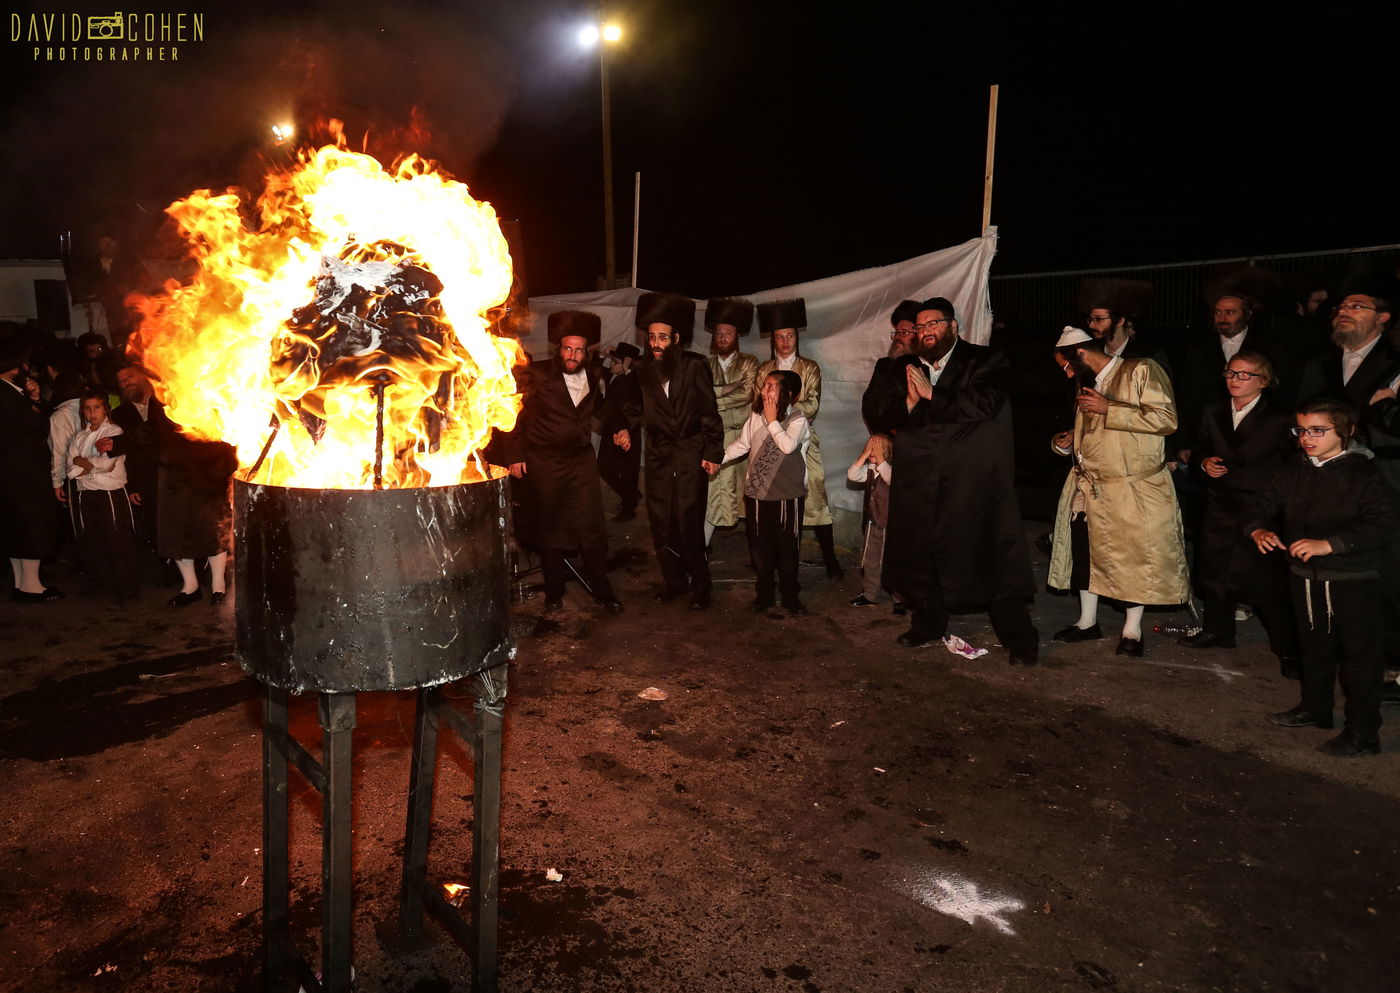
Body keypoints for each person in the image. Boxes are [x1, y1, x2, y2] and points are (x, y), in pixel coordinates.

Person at [863, 297, 1039, 664]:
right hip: (920, 482)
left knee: (990, 554)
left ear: (954, 326)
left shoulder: (985, 360)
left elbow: (985, 403)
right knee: (924, 555)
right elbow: (878, 410)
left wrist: (932, 394)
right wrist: (910, 404)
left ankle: (1019, 637)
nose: (926, 332)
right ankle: (928, 624)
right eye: (921, 327)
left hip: (973, 483)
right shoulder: (904, 367)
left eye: (934, 324)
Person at [1246, 399, 1392, 757]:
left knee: (1360, 658)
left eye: (1318, 430)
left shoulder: (1365, 473)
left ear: (1345, 431)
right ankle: (1315, 707)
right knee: (1314, 648)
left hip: (1353, 579)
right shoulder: (1295, 468)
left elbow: (1383, 524)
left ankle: (1363, 731)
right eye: (1301, 430)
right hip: (1305, 576)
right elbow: (1260, 502)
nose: (1307, 438)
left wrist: (1331, 544)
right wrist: (1257, 529)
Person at [1047, 327, 1189, 656]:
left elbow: (1166, 420)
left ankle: (1132, 631)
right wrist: (1063, 442)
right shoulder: (1086, 384)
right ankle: (1086, 622)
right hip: (1090, 487)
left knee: (1133, 556)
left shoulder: (1140, 369)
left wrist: (1109, 408)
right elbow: (1091, 435)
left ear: (1080, 355)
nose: (1066, 374)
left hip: (1133, 487)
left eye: (1067, 366)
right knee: (1086, 553)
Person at [1179, 352, 1300, 675]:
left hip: (1260, 505)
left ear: (1264, 380)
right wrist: (1203, 462)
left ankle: (1289, 651)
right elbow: (1201, 445)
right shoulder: (1214, 410)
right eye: (1230, 373)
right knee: (1215, 569)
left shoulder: (1280, 417)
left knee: (1265, 580)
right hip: (1220, 501)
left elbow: (1292, 463)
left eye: (1244, 375)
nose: (1234, 379)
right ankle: (1218, 631)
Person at [502, 310, 622, 613]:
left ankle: (602, 591)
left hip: (581, 460)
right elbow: (512, 413)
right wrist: (515, 454)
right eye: (567, 348)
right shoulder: (539, 375)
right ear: (559, 349)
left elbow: (604, 411)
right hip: (545, 461)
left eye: (579, 349)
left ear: (587, 352)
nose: (572, 354)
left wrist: (620, 427)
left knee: (591, 526)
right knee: (551, 528)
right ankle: (554, 592)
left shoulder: (595, 376)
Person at [612, 292, 724, 609]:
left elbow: (709, 414)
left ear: (676, 338)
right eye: (652, 337)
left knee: (688, 521)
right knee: (661, 521)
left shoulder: (694, 366)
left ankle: (702, 585)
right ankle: (674, 581)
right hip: (659, 454)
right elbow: (635, 406)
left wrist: (713, 453)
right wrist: (625, 427)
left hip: (691, 452)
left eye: (663, 337)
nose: (656, 343)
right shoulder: (645, 369)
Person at [753, 298, 841, 577]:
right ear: (773, 339)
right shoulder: (763, 370)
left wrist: (778, 413)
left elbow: (811, 404)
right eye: (780, 336)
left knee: (814, 491)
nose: (785, 341)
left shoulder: (810, 368)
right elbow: (757, 404)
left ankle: (830, 558)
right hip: (768, 440)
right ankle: (771, 559)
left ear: (797, 337)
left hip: (801, 439)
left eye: (790, 335)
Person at [720, 370, 811, 615]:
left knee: (788, 550)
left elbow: (788, 446)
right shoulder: (756, 416)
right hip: (758, 494)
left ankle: (791, 596)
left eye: (771, 387)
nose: (764, 391)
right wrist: (717, 459)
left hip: (786, 496)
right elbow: (742, 444)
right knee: (761, 550)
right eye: (764, 385)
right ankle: (765, 595)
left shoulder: (798, 420)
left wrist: (772, 421)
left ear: (788, 394)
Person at [1, 335, 65, 601]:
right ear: (14, 368)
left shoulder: (9, 395)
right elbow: (36, 427)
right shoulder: (8, 397)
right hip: (22, 475)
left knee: (17, 530)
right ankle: (31, 586)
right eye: (24, 365)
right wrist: (36, 400)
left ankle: (20, 584)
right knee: (31, 528)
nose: (27, 369)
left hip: (14, 475)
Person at [63, 390, 140, 602]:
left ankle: (128, 590)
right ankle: (104, 586)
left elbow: (106, 464)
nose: (92, 412)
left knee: (119, 543)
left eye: (96, 407)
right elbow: (70, 466)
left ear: (105, 408)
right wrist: (86, 465)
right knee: (94, 543)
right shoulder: (80, 436)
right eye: (88, 408)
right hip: (86, 495)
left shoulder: (114, 431)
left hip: (110, 494)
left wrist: (84, 463)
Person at [157, 417, 237, 608]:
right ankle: (191, 587)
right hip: (174, 475)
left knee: (213, 530)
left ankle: (219, 587)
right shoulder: (168, 400)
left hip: (210, 470)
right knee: (177, 531)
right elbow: (154, 430)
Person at [703, 297, 761, 546]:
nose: (723, 337)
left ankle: (758, 550)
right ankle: (701, 548)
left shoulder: (750, 362)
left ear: (737, 336)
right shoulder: (705, 365)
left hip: (745, 439)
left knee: (750, 494)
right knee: (714, 494)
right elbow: (702, 398)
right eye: (719, 333)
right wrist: (730, 388)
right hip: (716, 439)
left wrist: (716, 392)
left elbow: (748, 393)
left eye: (728, 333)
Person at [596, 342, 642, 521]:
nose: (611, 364)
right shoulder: (611, 376)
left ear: (626, 364)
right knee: (604, 467)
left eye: (616, 362)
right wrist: (603, 354)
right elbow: (594, 370)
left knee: (628, 470)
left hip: (628, 431)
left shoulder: (633, 380)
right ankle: (631, 495)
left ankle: (628, 509)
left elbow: (637, 393)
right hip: (610, 429)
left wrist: (629, 370)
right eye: (612, 361)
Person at [846, 433, 893, 608]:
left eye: (880, 448)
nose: (875, 451)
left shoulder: (890, 469)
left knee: (892, 561)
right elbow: (853, 474)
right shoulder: (871, 470)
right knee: (871, 560)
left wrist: (881, 459)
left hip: (892, 525)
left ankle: (900, 598)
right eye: (872, 447)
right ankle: (870, 594)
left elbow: (890, 479)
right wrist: (864, 455)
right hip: (873, 522)